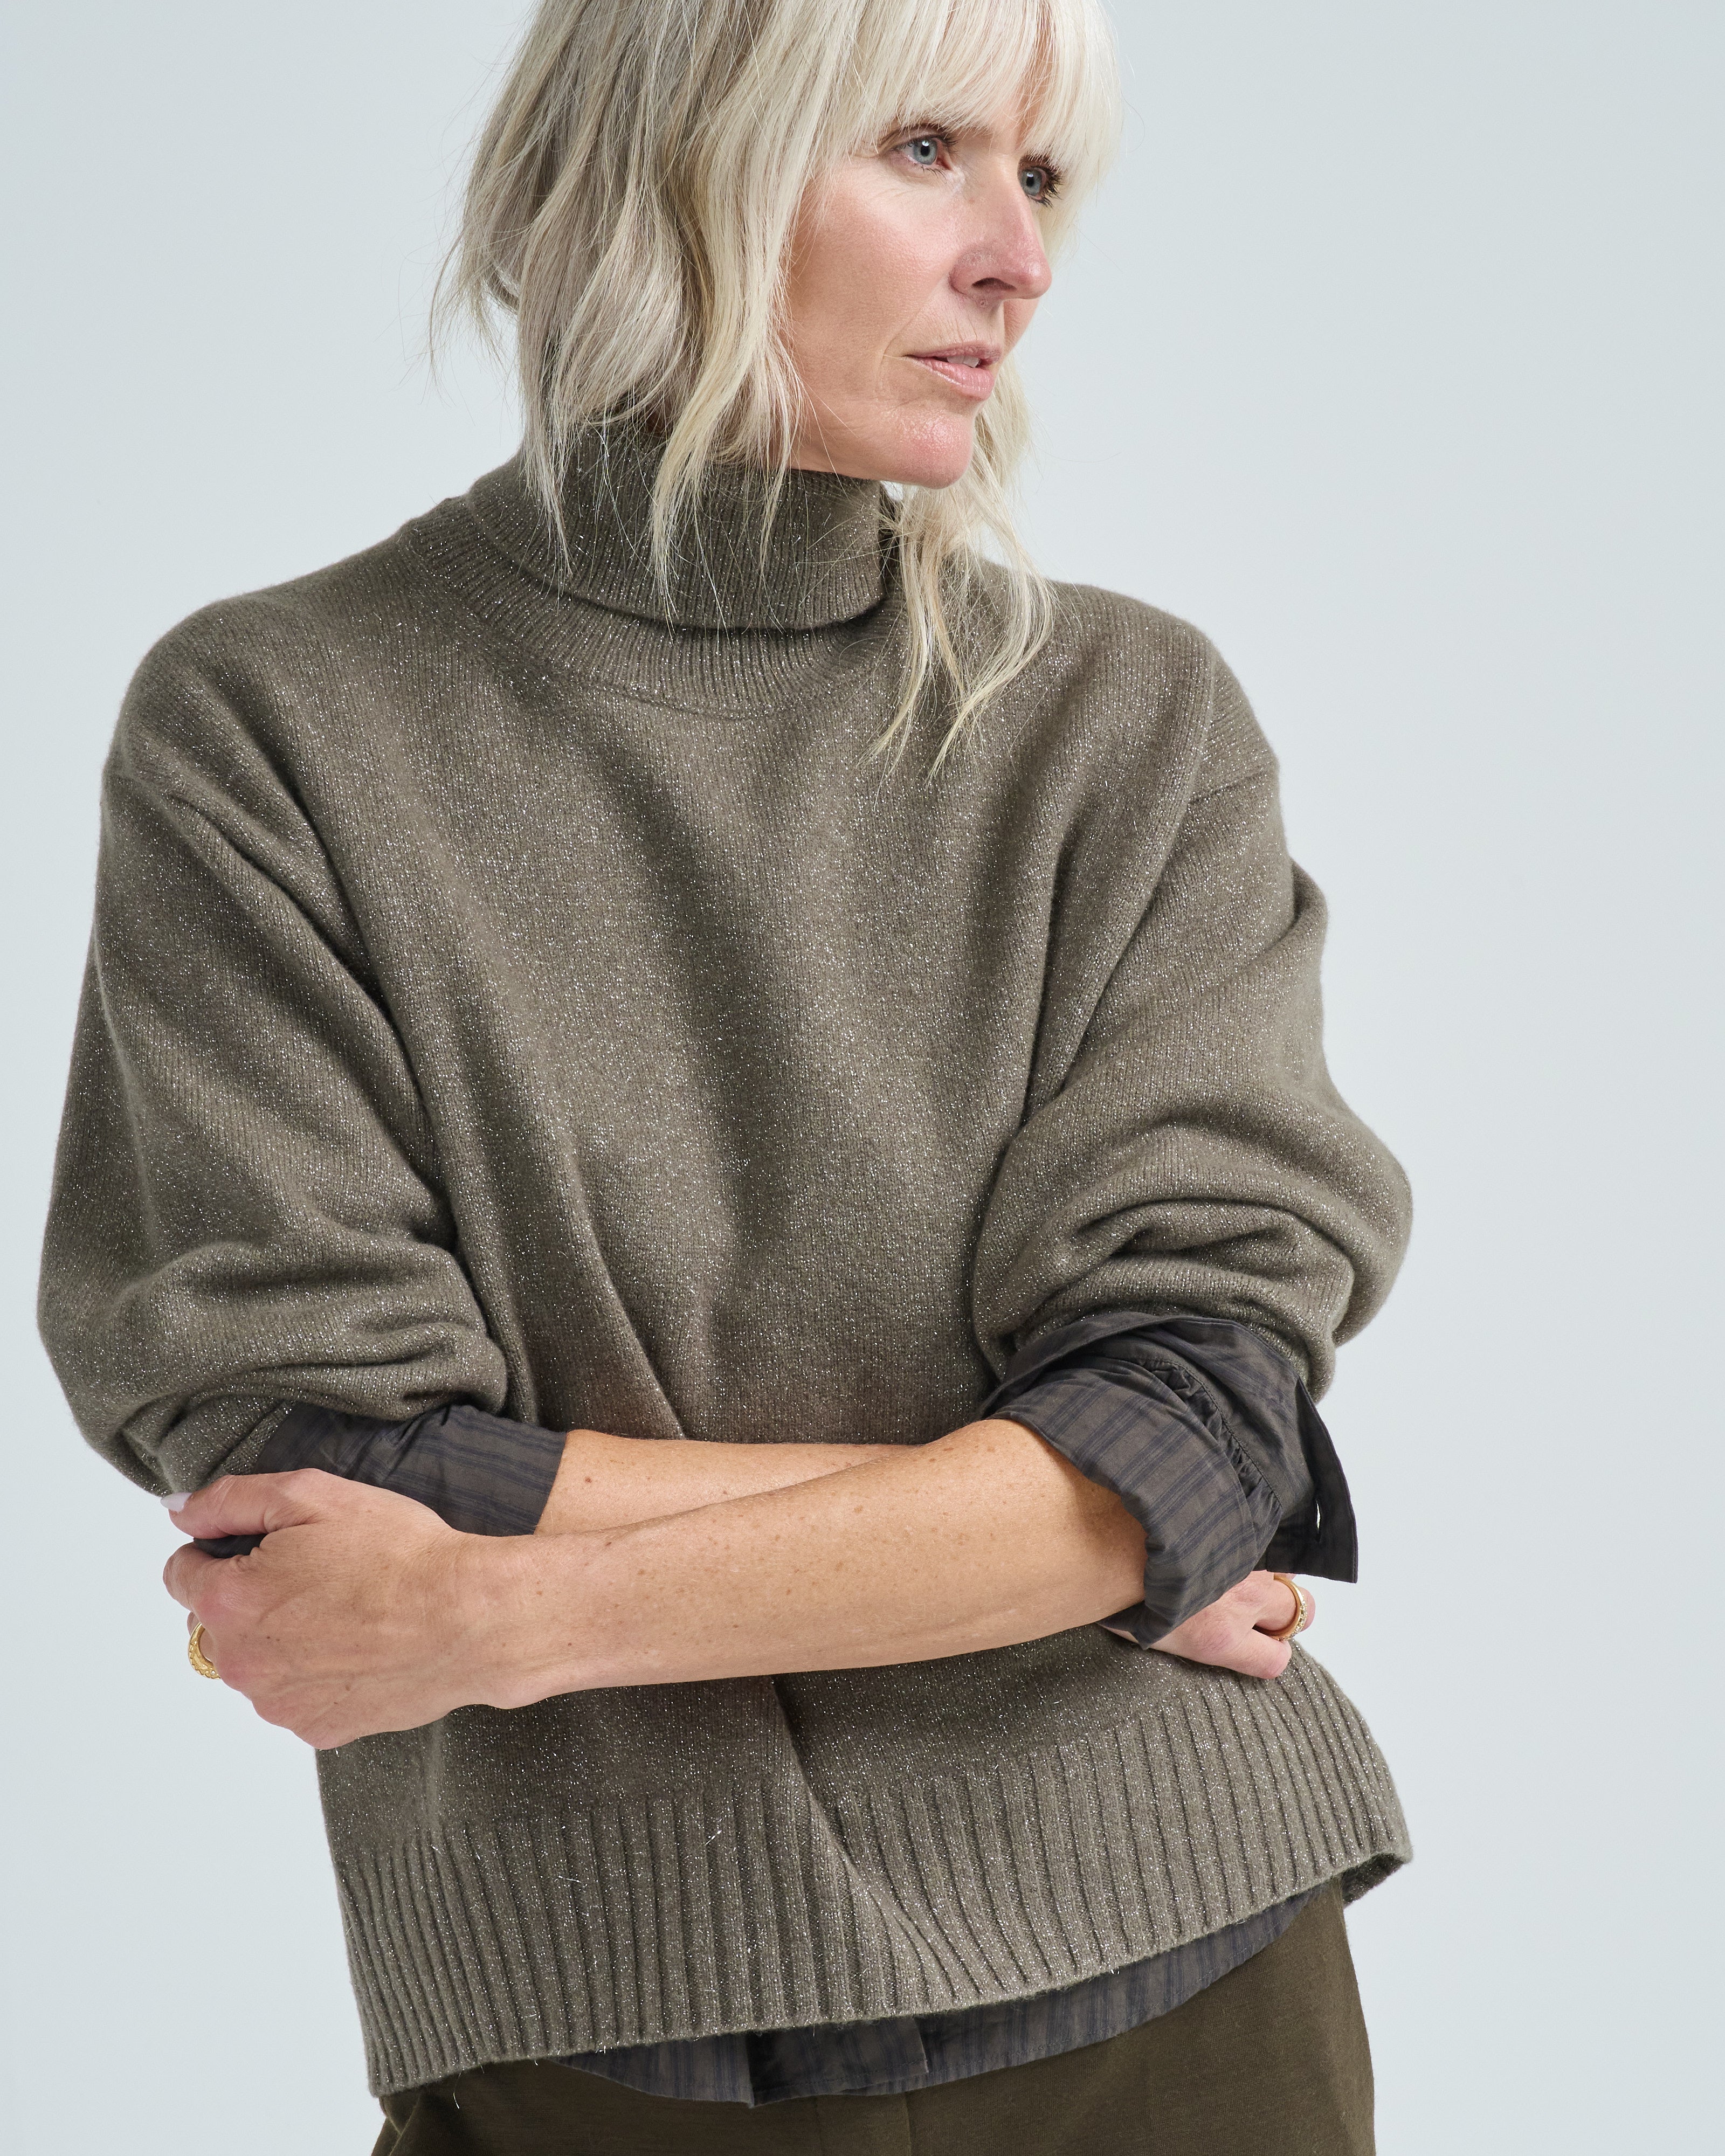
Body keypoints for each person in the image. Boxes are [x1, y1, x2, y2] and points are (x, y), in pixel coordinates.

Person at [38, 1, 1414, 2149]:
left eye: (1041, 176)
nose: (1016, 258)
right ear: (669, 157)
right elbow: (310, 1459)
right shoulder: (279, 725)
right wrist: (1049, 1530)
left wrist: (501, 1615)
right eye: (926, 148)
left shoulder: (1125, 727)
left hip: (1189, 1982)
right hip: (587, 2024)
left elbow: (1194, 1409)